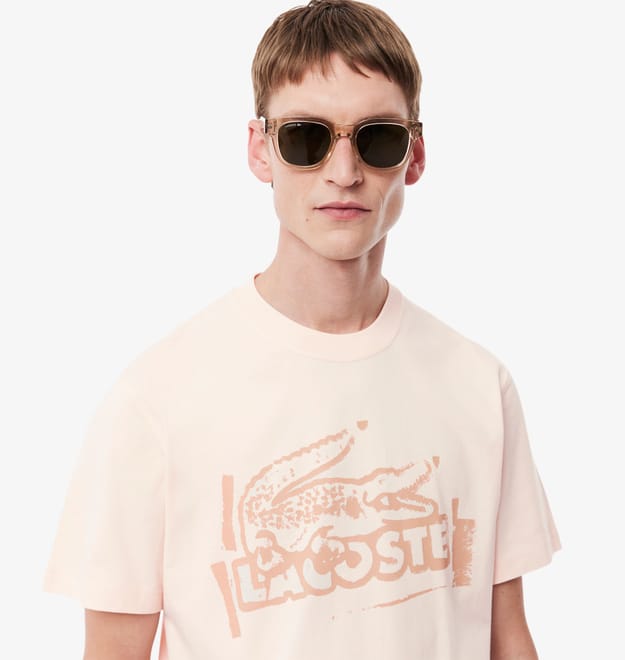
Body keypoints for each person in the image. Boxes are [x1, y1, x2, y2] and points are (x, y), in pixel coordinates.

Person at [44, 1, 561, 658]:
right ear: (261, 150)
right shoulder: (156, 398)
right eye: (306, 138)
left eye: (377, 138)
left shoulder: (480, 386)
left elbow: (507, 637)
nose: (343, 173)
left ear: (415, 154)